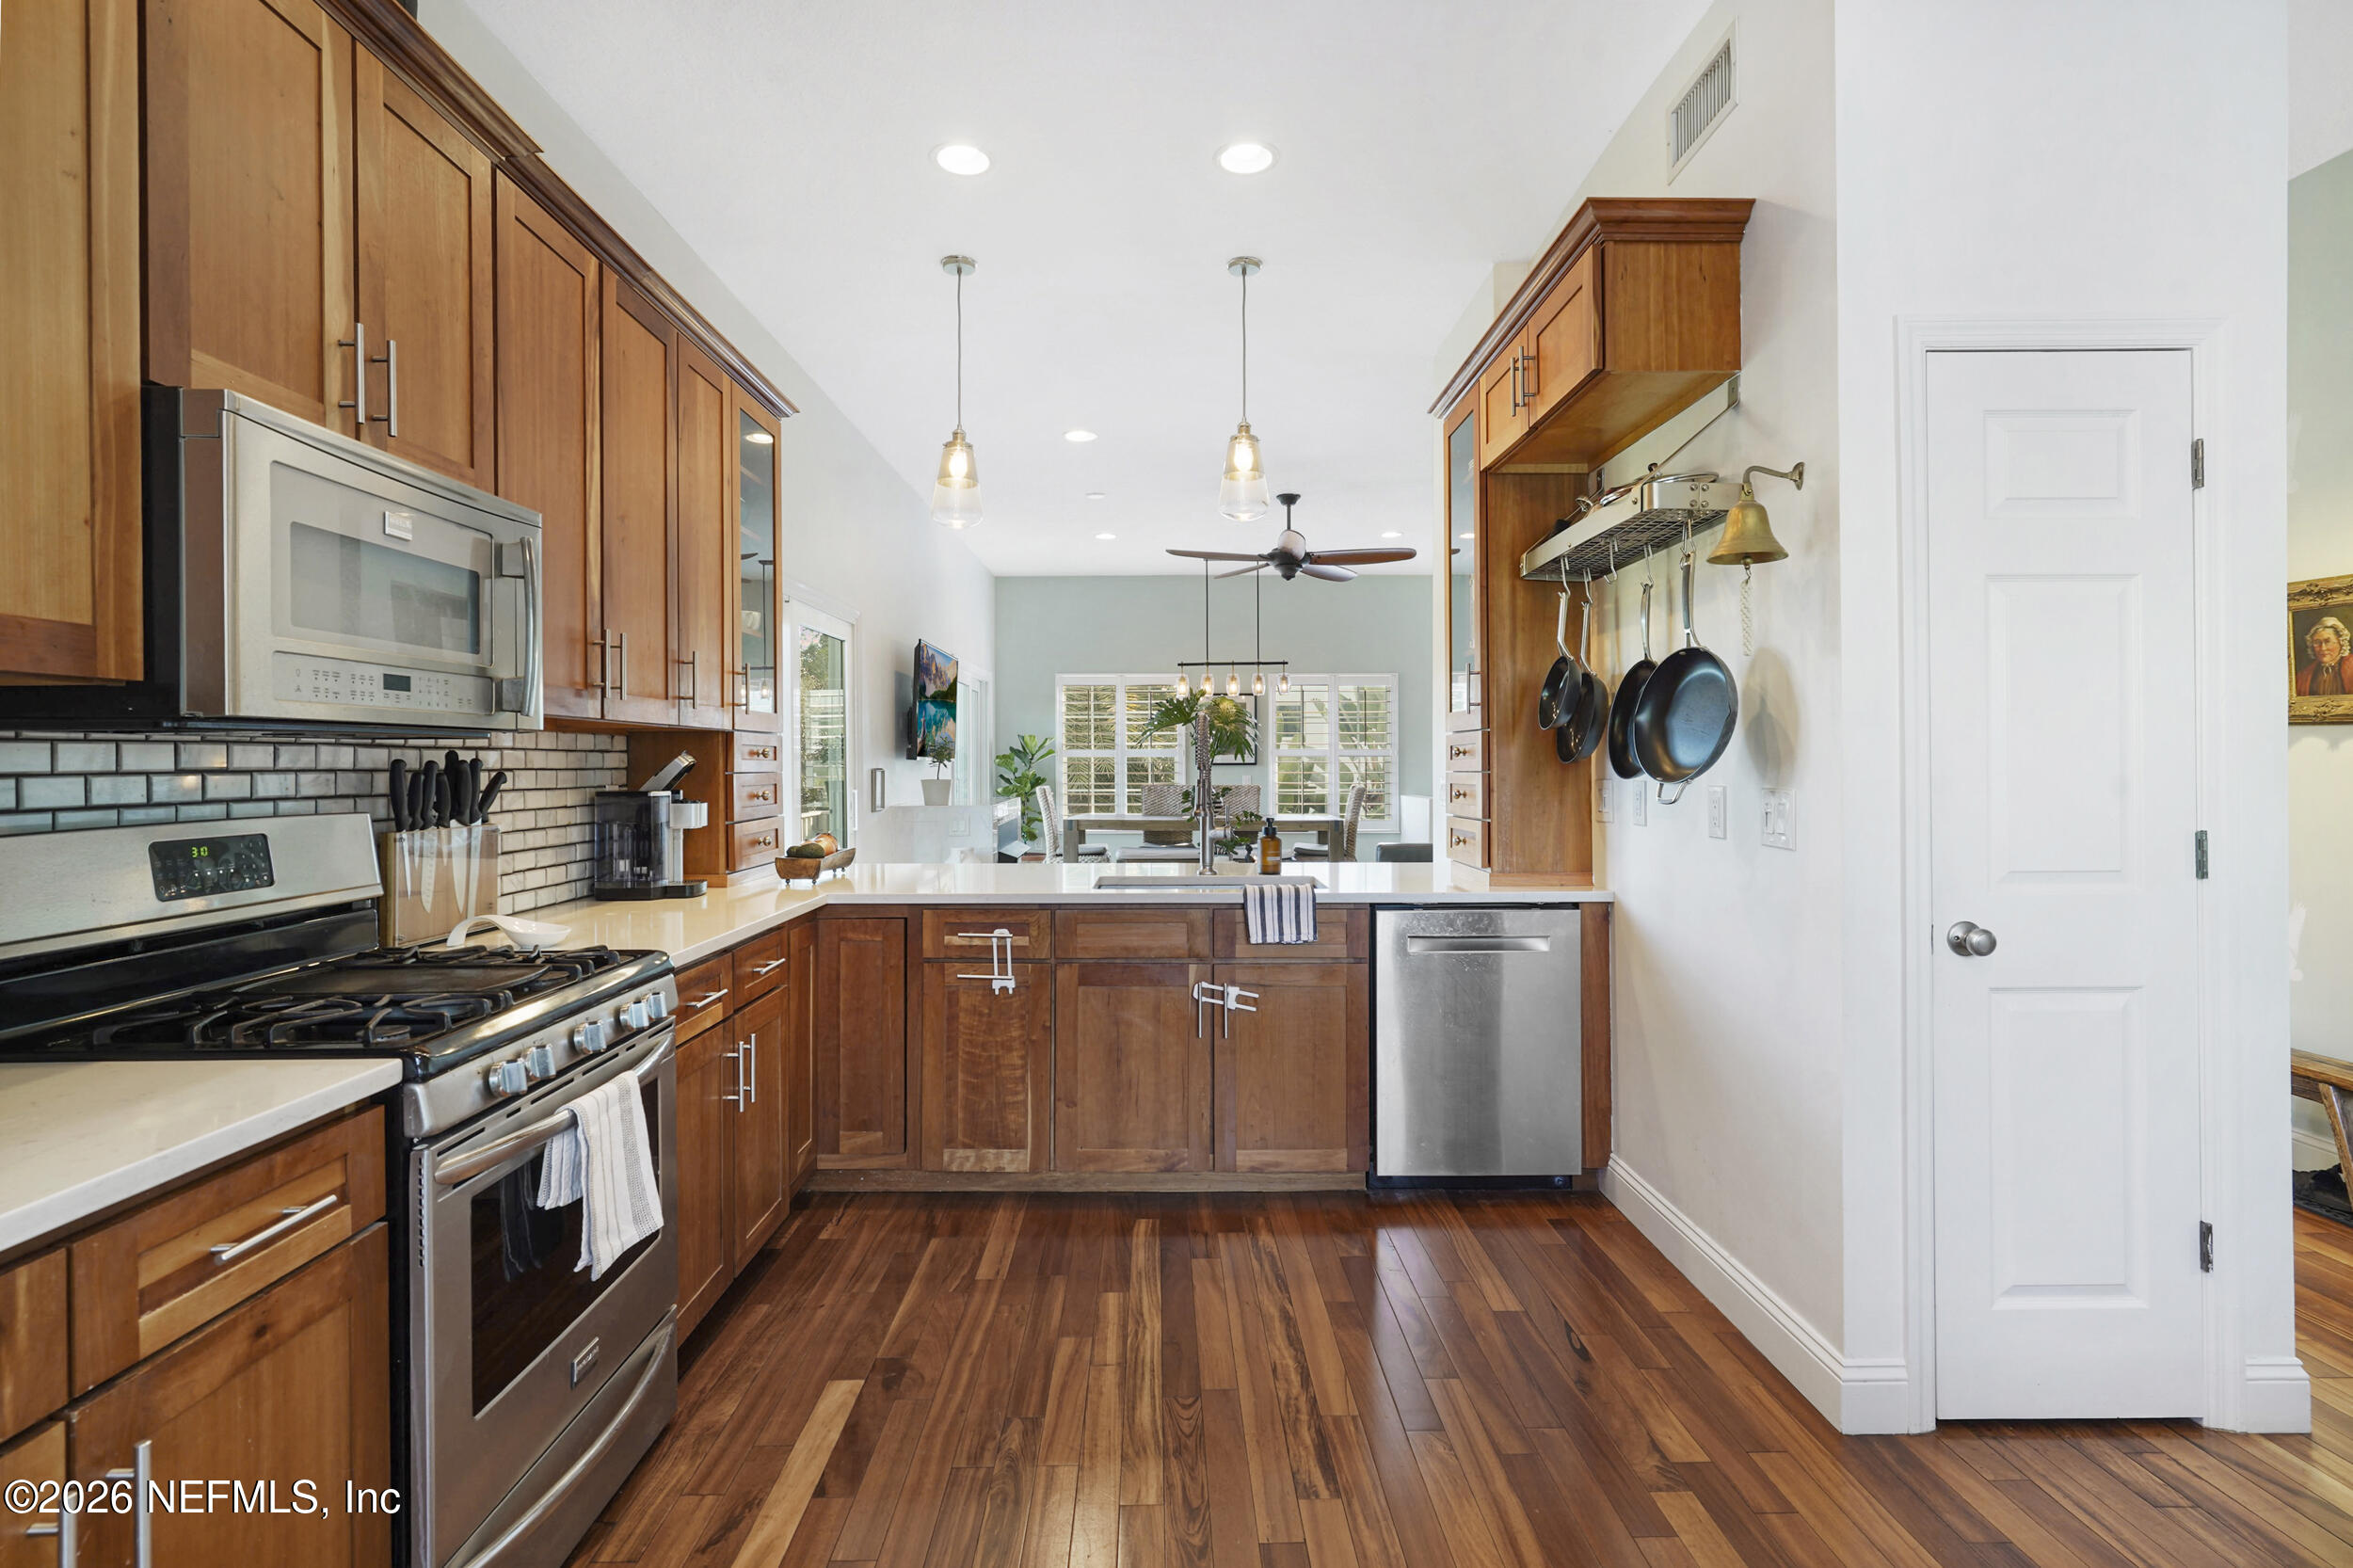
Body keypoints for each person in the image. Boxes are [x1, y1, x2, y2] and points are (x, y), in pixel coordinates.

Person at [2299, 616, 2353, 696]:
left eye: (2328, 642)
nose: (2323, 648)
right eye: (2317, 642)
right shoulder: (2305, 675)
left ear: (2341, 643)